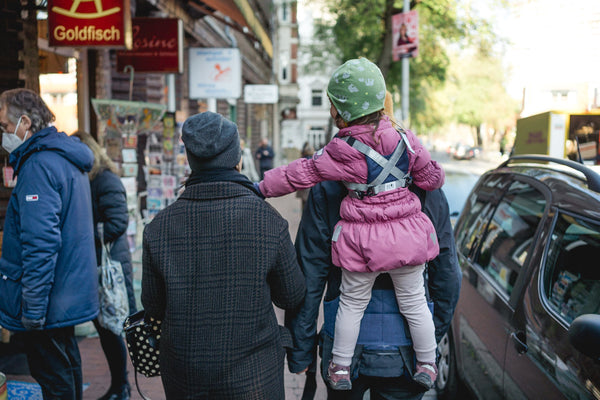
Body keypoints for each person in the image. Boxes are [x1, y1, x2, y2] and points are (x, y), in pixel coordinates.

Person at [256, 58, 445, 390]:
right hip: (407, 239)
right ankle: (427, 363)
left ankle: (340, 367)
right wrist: (431, 175)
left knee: (351, 302)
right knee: (414, 301)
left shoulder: (341, 149)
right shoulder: (406, 138)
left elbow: (300, 173)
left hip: (364, 242)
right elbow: (430, 177)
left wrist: (261, 187)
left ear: (337, 110)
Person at [141, 111, 306, 399]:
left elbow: (153, 306)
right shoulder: (266, 219)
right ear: (237, 158)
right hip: (254, 374)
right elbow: (291, 295)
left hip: (185, 374)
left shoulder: (158, 227)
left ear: (190, 160)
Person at [0, 88, 98, 399]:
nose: (2, 134)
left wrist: (33, 310)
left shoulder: (39, 166)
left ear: (24, 123)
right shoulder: (63, 158)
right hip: (65, 294)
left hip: (49, 300)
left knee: (55, 379)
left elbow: (40, 244)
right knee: (66, 372)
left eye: (4, 127)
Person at [72, 130, 137, 400]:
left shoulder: (104, 179)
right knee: (106, 328)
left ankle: (121, 386)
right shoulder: (87, 179)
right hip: (98, 263)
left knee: (113, 329)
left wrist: (83, 236)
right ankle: (118, 385)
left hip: (110, 266)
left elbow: (117, 223)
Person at [296, 142, 315, 211]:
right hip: (311, 187)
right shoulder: (315, 160)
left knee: (304, 205)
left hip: (303, 186)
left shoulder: (301, 161)